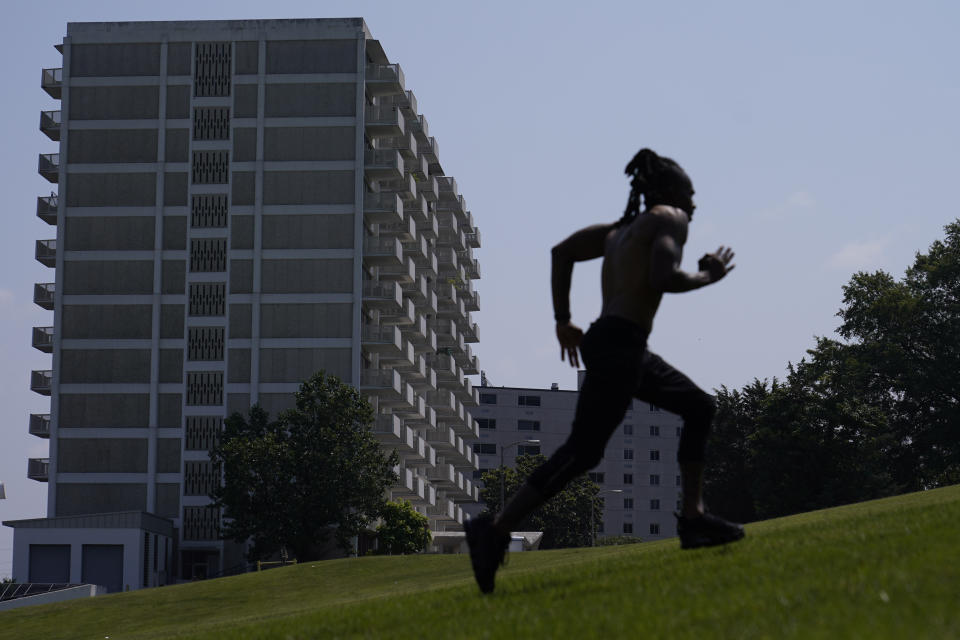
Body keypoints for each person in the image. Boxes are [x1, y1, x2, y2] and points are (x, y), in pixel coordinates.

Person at [465, 148, 744, 594]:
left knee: (698, 406)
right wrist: (708, 276)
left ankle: (693, 519)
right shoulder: (670, 218)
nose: (694, 203)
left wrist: (562, 320)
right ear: (671, 192)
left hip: (615, 342)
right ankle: (495, 529)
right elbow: (662, 277)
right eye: (690, 193)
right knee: (583, 451)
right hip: (620, 345)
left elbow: (562, 252)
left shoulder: (618, 231)